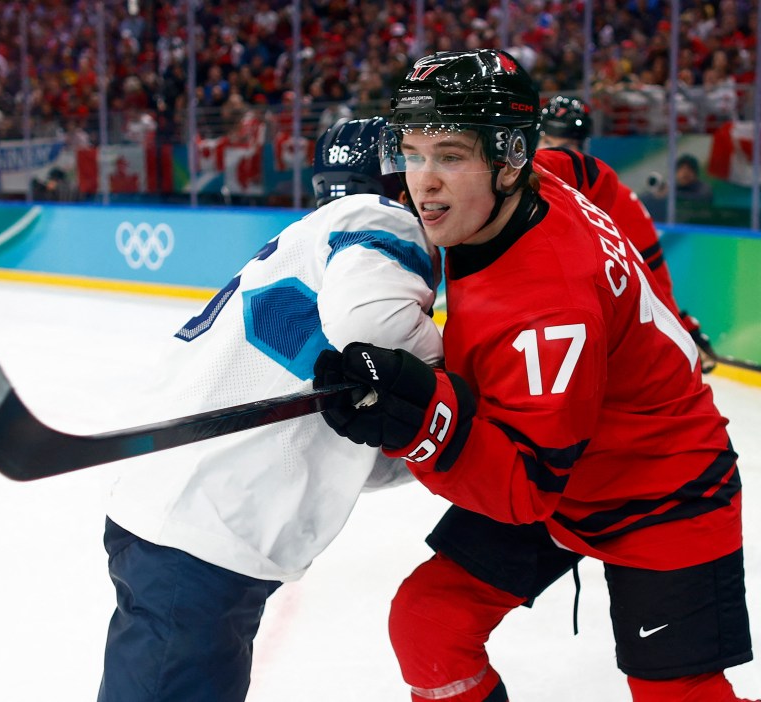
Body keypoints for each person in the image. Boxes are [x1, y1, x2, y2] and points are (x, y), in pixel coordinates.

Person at [313, 50, 754, 702]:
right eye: (413, 152)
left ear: (509, 157)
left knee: (678, 693)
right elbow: (595, 174)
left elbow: (525, 489)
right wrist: (658, 301)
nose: (422, 184)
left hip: (661, 490)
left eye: (451, 156)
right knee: (431, 623)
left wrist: (421, 423)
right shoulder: (540, 175)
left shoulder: (548, 310)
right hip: (567, 456)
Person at [99, 116, 443, 702]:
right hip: (208, 533)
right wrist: (461, 382)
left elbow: (353, 439)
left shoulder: (307, 244)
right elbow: (369, 325)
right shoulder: (376, 220)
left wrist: (419, 436)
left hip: (175, 517)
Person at [536, 95, 718, 372]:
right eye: (550, 143)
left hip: (592, 342)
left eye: (570, 146)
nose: (559, 155)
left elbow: (654, 279)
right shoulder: (511, 191)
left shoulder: (618, 199)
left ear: (584, 148)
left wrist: (684, 328)